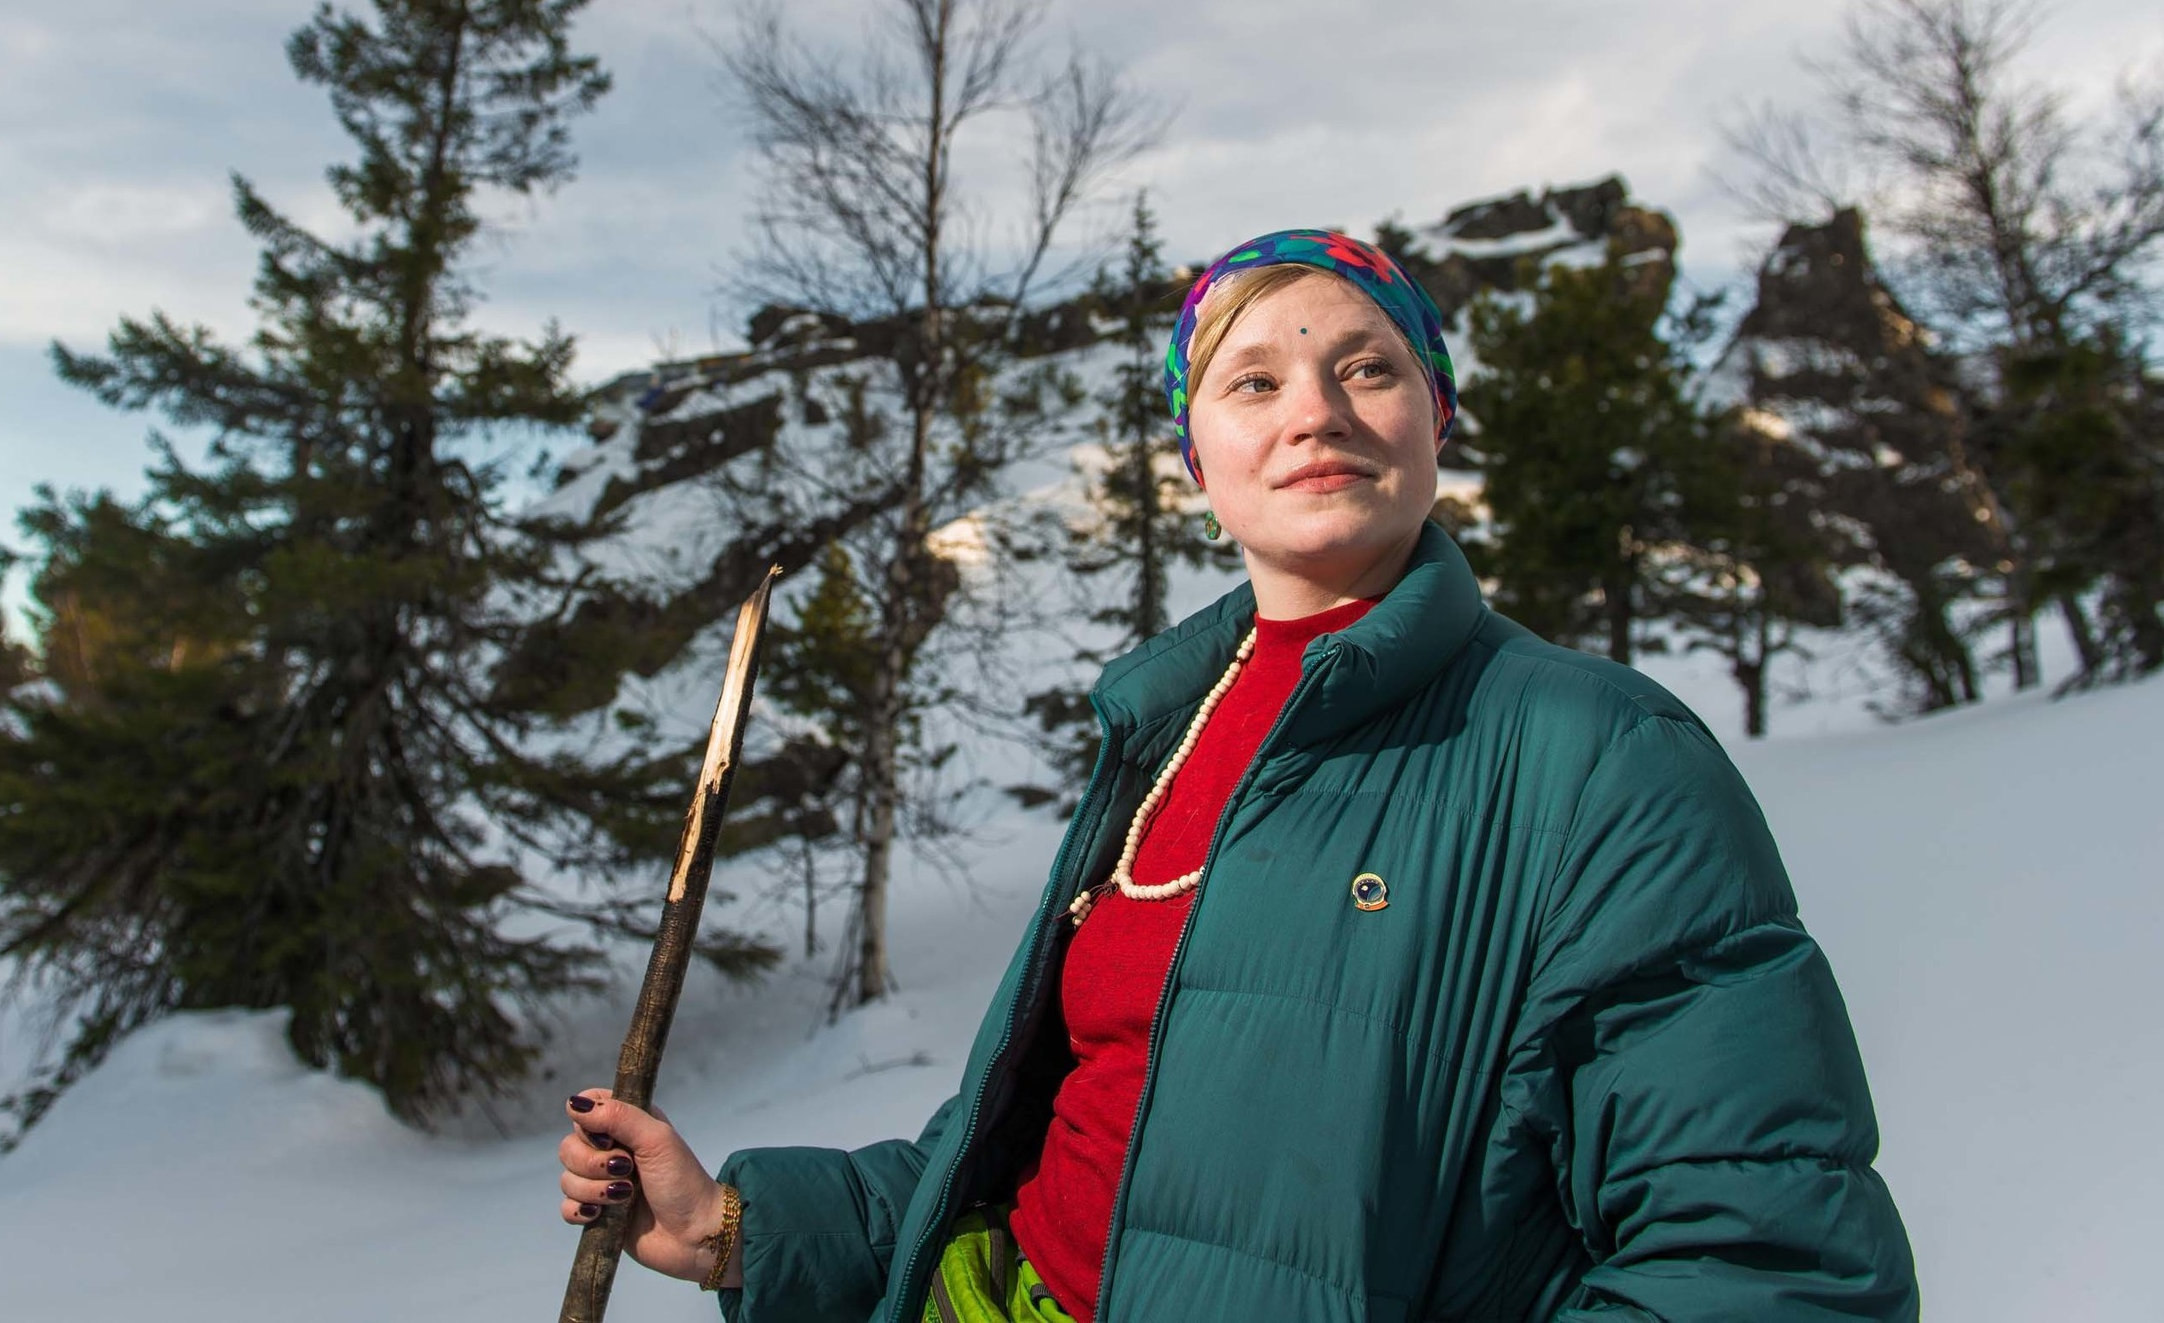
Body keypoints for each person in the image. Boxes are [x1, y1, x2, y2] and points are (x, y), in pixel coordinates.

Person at [556, 228, 1919, 1322]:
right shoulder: (1166, 731)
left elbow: (1764, 1264)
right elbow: (1061, 1146)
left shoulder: (1597, 755)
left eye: (1370, 368)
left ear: (1436, 419)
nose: (1313, 409)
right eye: (1253, 379)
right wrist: (734, 1226)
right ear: (1197, 455)